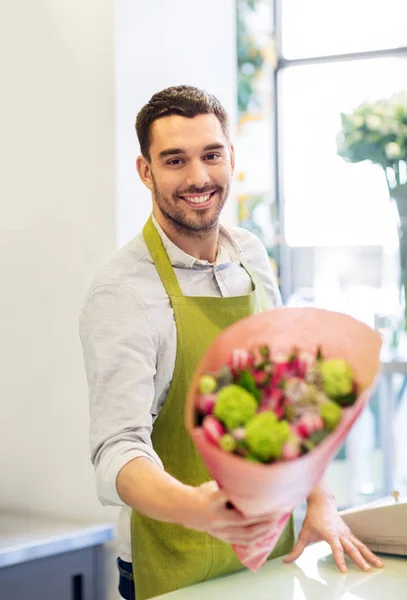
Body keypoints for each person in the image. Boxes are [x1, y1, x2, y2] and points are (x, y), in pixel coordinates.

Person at [79, 86, 383, 600]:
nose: (198, 178)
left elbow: (287, 395)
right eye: (175, 160)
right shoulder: (121, 292)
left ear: (230, 158)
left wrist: (319, 499)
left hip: (271, 558)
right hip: (172, 566)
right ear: (145, 172)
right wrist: (198, 509)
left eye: (211, 155)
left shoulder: (251, 255)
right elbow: (117, 448)